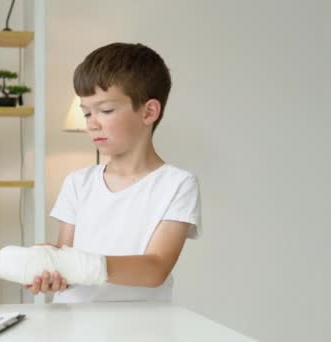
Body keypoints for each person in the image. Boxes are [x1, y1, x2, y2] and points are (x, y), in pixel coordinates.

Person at [28, 42, 202, 302]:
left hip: (140, 331)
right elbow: (68, 261)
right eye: (86, 113)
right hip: (73, 327)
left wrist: (74, 263)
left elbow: (155, 269)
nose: (92, 124)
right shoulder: (78, 183)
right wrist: (51, 267)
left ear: (149, 111)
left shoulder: (177, 185)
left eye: (105, 110)